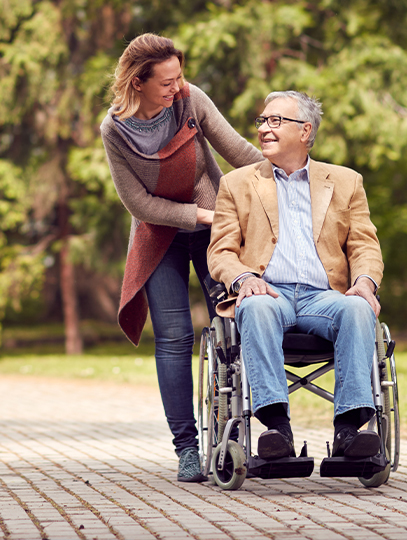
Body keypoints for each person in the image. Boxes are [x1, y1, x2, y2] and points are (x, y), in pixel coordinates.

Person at [102, 33, 264, 482]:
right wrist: (200, 215)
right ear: (138, 82)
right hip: (160, 233)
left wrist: (295, 177)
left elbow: (239, 153)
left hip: (212, 224)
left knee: (236, 317)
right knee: (173, 338)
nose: (176, 87)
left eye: (178, 77)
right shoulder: (114, 131)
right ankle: (187, 450)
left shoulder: (190, 101)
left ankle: (248, 428)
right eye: (166, 82)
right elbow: (138, 203)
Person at [207, 90, 384, 461]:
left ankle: (350, 432)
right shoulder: (237, 184)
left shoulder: (346, 181)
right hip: (268, 292)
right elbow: (221, 251)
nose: (264, 129)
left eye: (275, 121)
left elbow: (364, 245)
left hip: (325, 296)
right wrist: (243, 280)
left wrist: (365, 283)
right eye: (262, 121)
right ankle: (276, 430)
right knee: (255, 307)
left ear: (305, 131)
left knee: (358, 309)